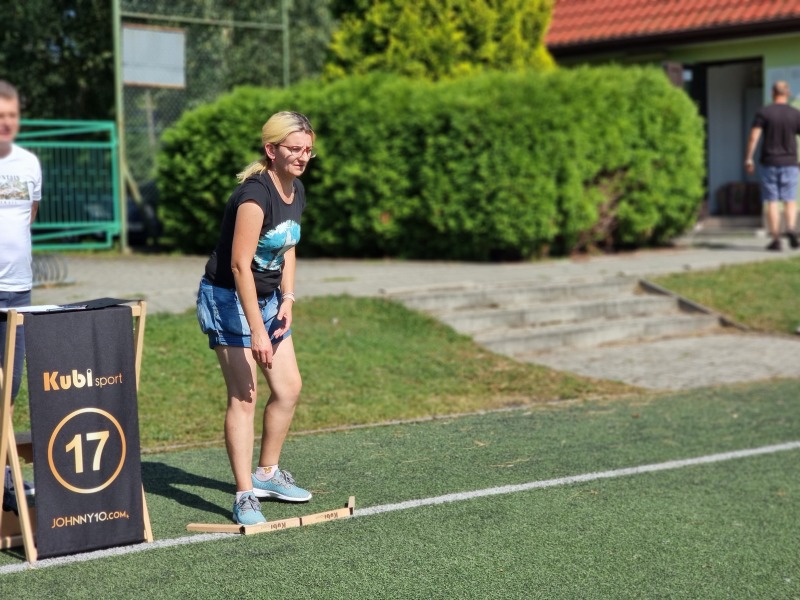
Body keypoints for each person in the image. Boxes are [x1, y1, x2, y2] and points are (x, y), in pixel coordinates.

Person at [196, 111, 316, 525]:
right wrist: (257, 333)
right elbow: (239, 266)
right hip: (228, 299)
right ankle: (245, 495)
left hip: (268, 299)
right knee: (244, 396)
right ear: (271, 149)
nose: (303, 157)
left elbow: (288, 246)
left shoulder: (295, 188)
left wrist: (288, 298)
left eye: (308, 150)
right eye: (295, 149)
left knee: (288, 388)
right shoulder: (254, 196)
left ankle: (267, 474)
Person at [0, 80, 40, 514]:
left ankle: (4, 476)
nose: (6, 123)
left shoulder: (29, 163)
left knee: (9, 388)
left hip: (18, 292)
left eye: (11, 115)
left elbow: (28, 216)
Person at [745, 80, 800, 251]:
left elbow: (754, 137)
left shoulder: (764, 112)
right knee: (790, 199)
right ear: (788, 94)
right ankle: (791, 228)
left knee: (772, 201)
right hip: (790, 162)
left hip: (769, 162)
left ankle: (776, 239)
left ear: (772, 93)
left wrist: (749, 158)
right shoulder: (795, 114)